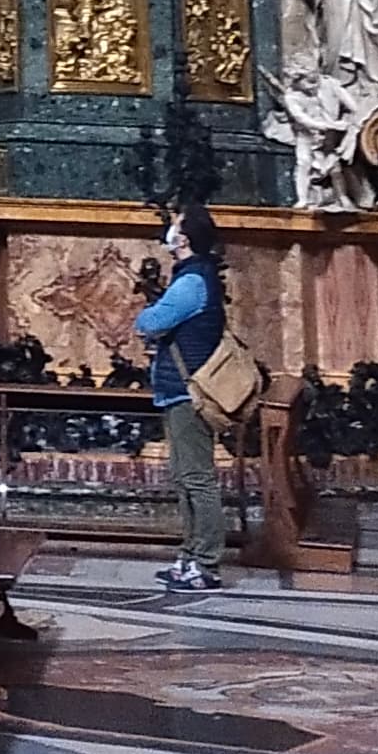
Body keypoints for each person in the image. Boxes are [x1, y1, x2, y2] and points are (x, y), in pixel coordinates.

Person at [134, 211, 229, 595]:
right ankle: (189, 556)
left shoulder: (192, 282)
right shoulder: (192, 276)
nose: (169, 228)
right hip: (178, 391)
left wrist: (147, 319)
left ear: (185, 237)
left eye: (176, 222)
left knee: (198, 479)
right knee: (183, 479)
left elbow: (150, 322)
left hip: (189, 392)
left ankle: (206, 564)